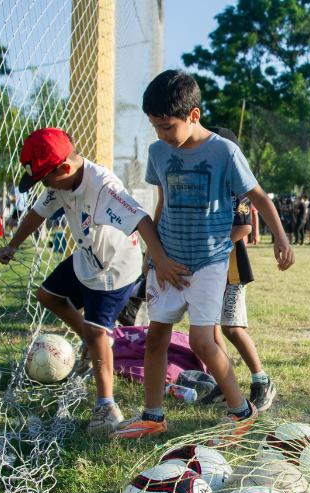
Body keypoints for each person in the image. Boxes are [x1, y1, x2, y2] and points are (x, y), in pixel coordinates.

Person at [112, 70, 294, 444]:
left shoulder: (224, 151)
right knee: (156, 336)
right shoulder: (158, 152)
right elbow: (160, 203)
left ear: (193, 115)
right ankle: (152, 416)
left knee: (202, 341)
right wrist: (154, 257)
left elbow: (258, 197)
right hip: (167, 262)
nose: (160, 135)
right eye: (154, 127)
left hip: (210, 262)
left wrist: (281, 236)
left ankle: (241, 413)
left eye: (166, 126)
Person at [0, 128, 170, 435]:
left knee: (93, 332)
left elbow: (141, 219)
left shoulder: (105, 187)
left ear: (64, 168)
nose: (44, 186)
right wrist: (13, 244)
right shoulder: (59, 182)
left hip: (113, 270)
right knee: (48, 296)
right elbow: (38, 212)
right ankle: (101, 342)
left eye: (44, 179)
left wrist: (159, 261)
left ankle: (106, 406)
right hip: (87, 259)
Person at [196, 127, 277, 412]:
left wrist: (212, 245)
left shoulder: (237, 187)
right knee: (212, 327)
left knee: (231, 327)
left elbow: (244, 227)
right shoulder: (203, 183)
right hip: (206, 268)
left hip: (231, 268)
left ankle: (262, 380)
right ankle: (223, 379)